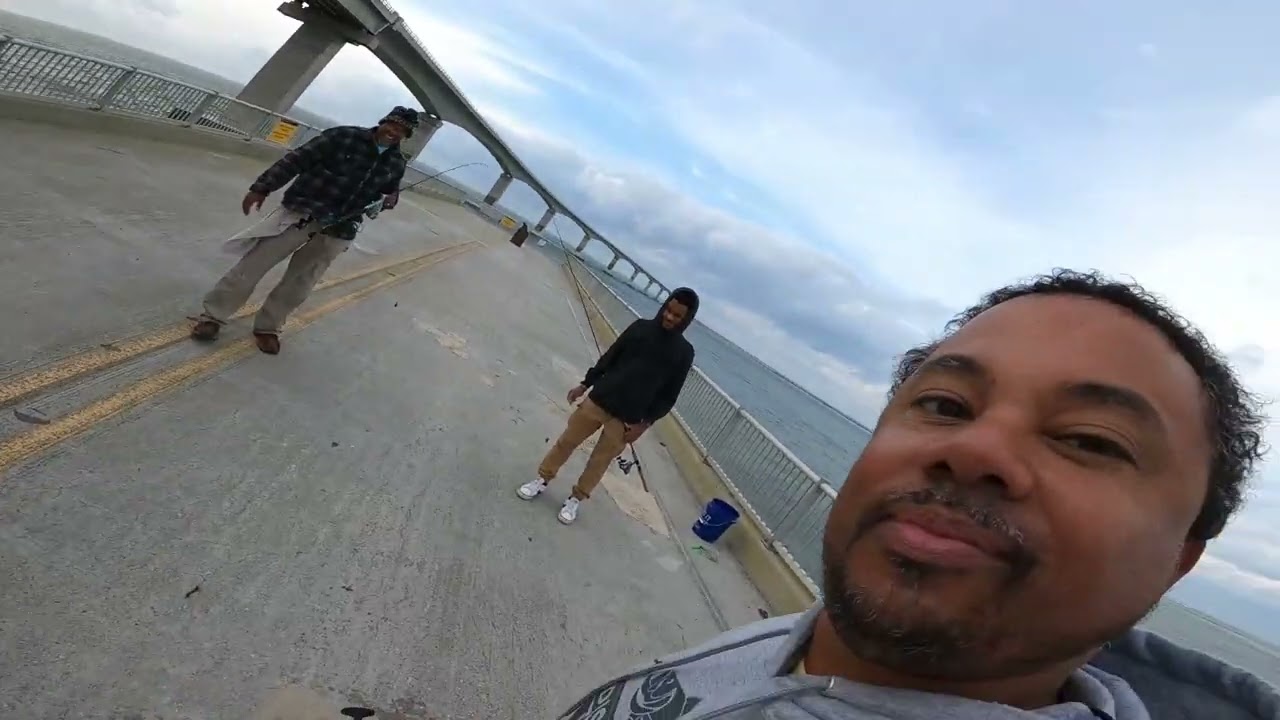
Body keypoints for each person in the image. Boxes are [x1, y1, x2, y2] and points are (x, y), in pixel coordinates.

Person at [559, 270, 1279, 719]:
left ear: (1179, 560)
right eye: (943, 404)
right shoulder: (792, 644)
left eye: (1090, 439)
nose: (972, 449)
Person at [190, 106, 419, 355]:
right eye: (393, 126)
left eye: (403, 131)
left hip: (339, 229)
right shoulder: (342, 136)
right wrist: (262, 188)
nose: (395, 132)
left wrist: (388, 199)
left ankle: (269, 328)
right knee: (252, 266)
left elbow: (389, 190)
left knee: (300, 283)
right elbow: (296, 160)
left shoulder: (397, 162)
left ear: (406, 137)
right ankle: (212, 317)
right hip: (300, 213)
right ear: (383, 122)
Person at [518, 288, 700, 525]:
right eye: (668, 310)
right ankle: (542, 480)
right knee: (567, 442)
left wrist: (644, 424)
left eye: (677, 316)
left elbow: (668, 396)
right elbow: (610, 357)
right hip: (600, 399)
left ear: (686, 319)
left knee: (599, 461)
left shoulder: (684, 353)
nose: (669, 317)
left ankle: (576, 499)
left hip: (628, 419)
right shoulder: (640, 328)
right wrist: (585, 384)